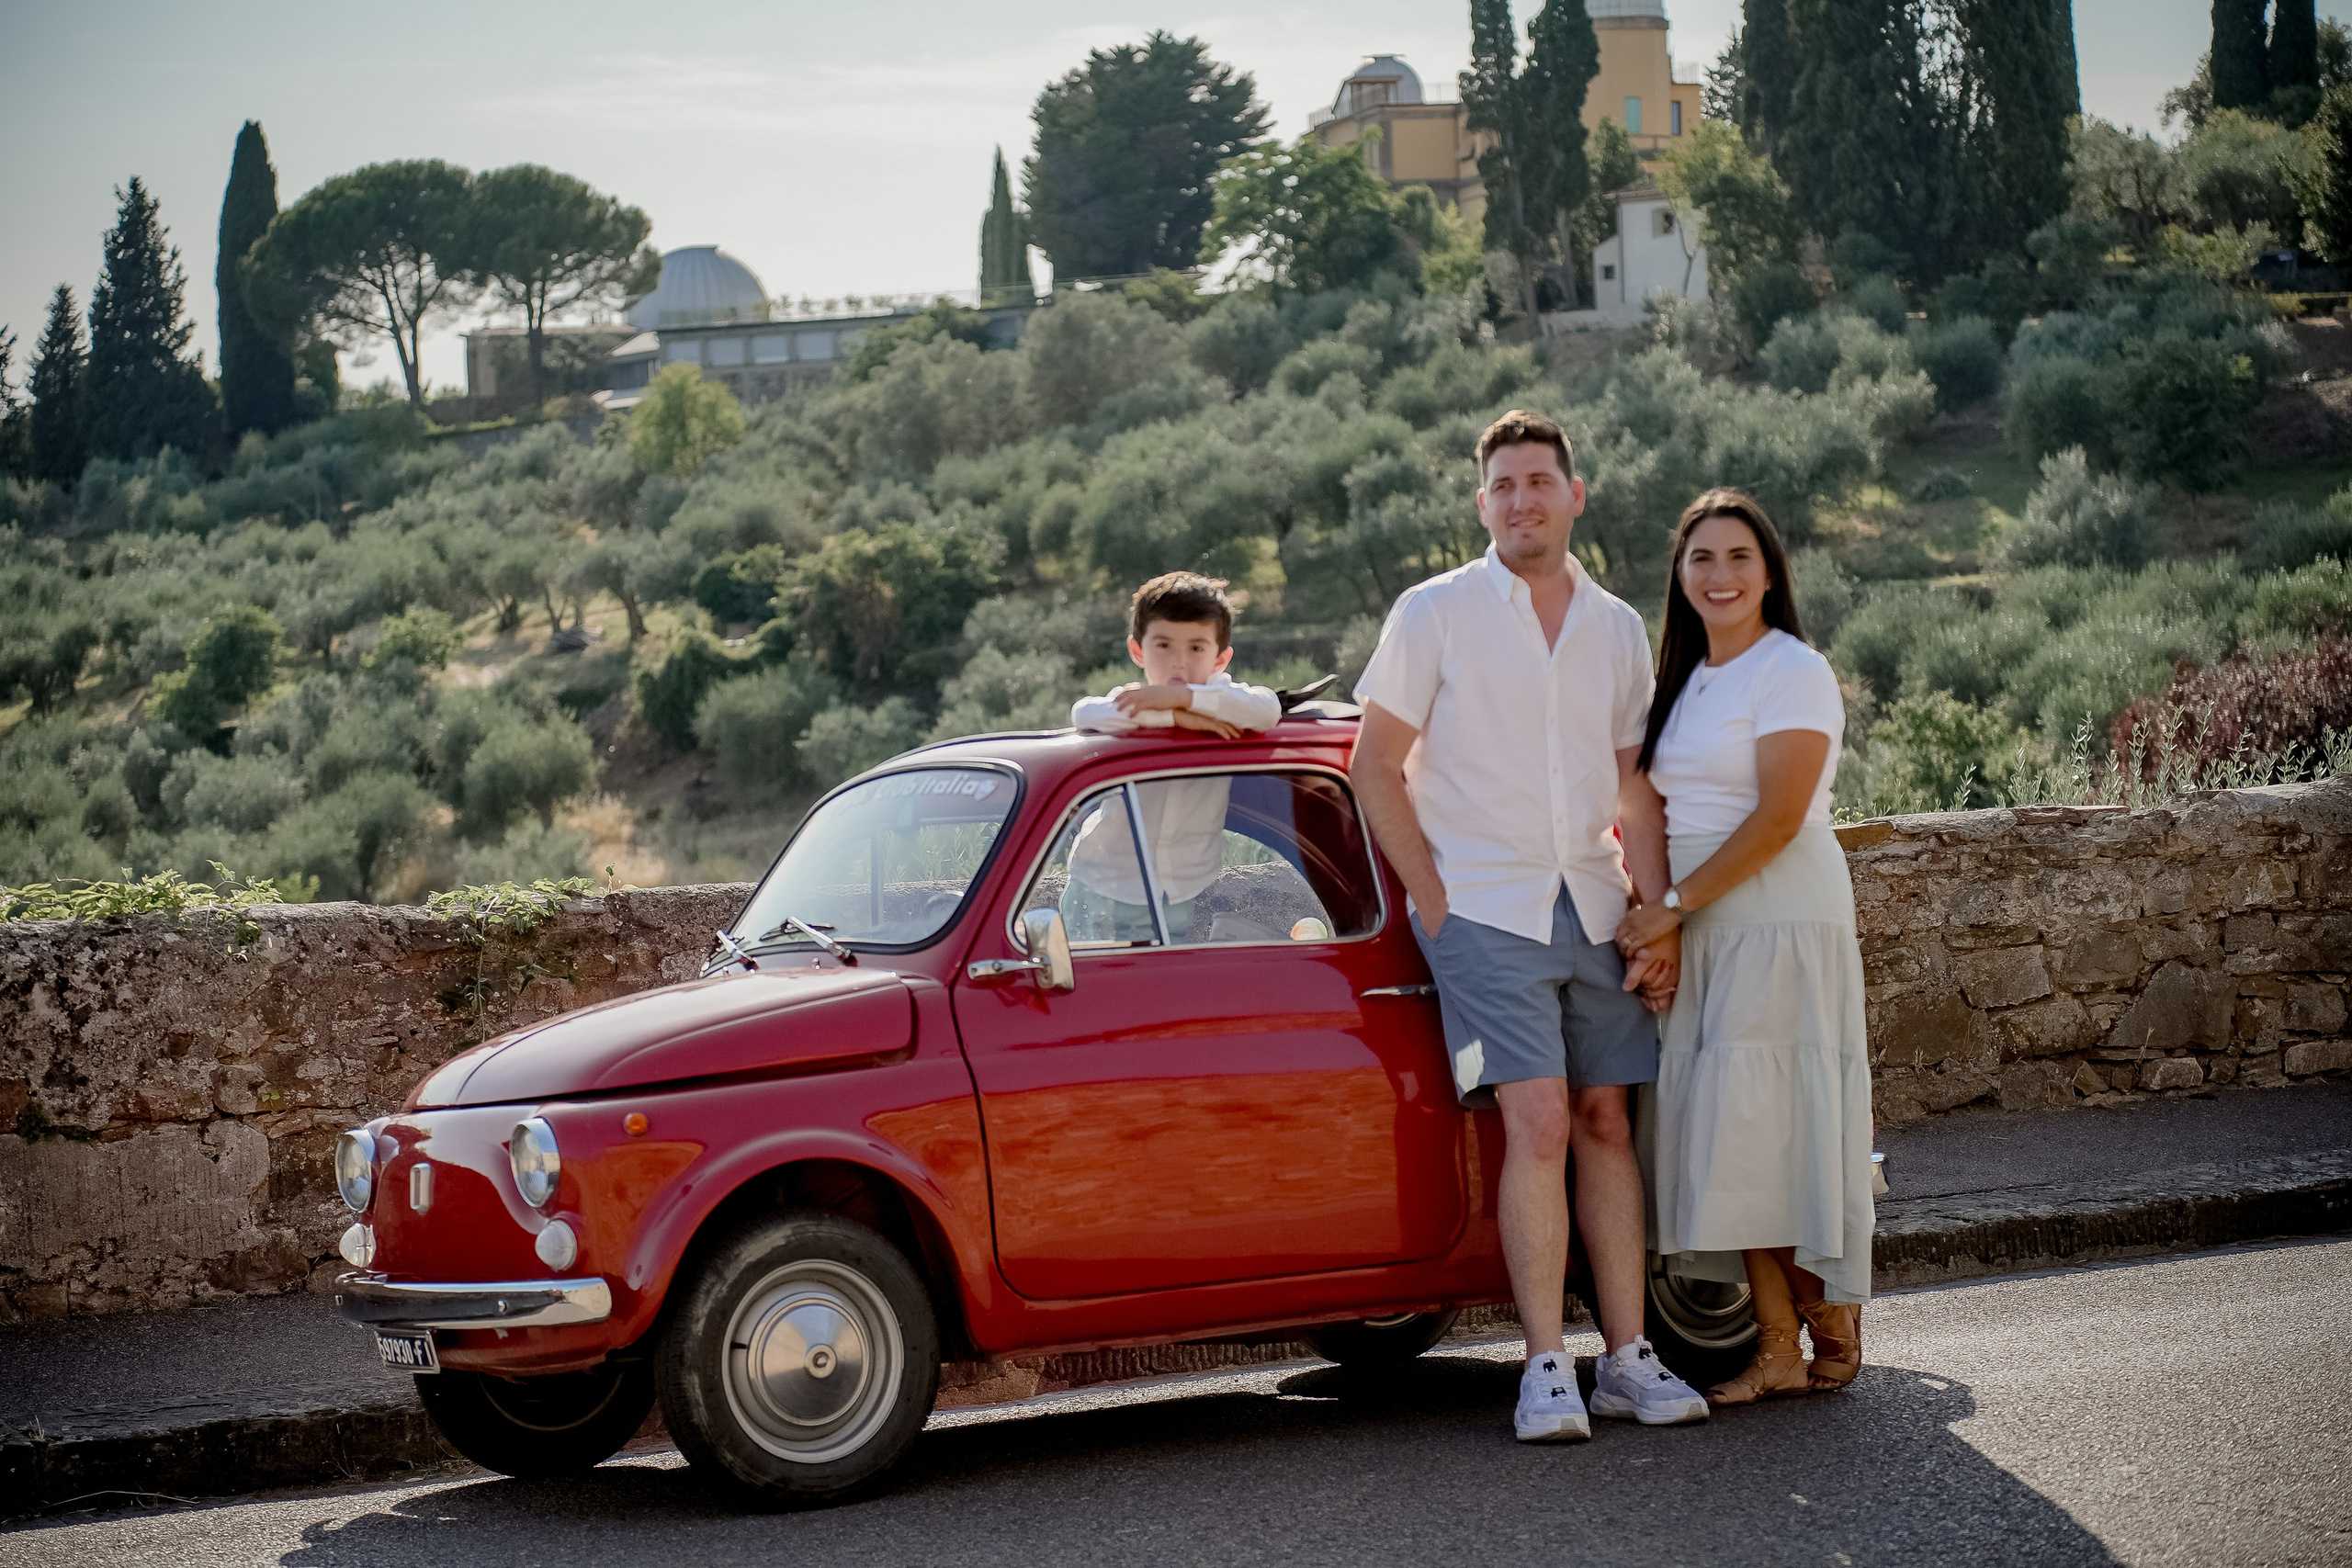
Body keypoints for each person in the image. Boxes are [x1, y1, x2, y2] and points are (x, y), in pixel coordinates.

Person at [1350, 409, 1708, 1442]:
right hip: (1482, 906)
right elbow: (1374, 765)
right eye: (1502, 486)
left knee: (1606, 1121)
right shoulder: (1435, 612)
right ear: (1482, 504)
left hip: (1593, 904)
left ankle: (1628, 1361)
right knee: (1540, 1120)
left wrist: (1655, 919)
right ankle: (1544, 1364)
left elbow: (1632, 791)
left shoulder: (1614, 628)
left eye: (1537, 482)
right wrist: (1429, 896)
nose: (1521, 501)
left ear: (1573, 494)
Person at [1614, 487, 1873, 1406]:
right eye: (1700, 559)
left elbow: (1775, 818)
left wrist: (1672, 907)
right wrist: (1664, 915)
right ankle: (1780, 1346)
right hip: (1705, 921)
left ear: (1769, 573)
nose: (1718, 575)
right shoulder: (1680, 683)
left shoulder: (1791, 669)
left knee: (1768, 1129)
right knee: (1734, 1141)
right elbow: (1643, 804)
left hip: (1776, 915)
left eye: (1737, 557)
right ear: (1679, 578)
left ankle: (1822, 1322)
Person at [1065, 572, 1281, 942]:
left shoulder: (1226, 702)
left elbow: (1267, 710)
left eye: (1197, 648)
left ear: (1220, 659)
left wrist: (1185, 699)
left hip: (1184, 888)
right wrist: (1174, 716)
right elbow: (1084, 712)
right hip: (1103, 885)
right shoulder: (1134, 699)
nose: (1179, 664)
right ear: (1138, 651)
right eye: (1163, 646)